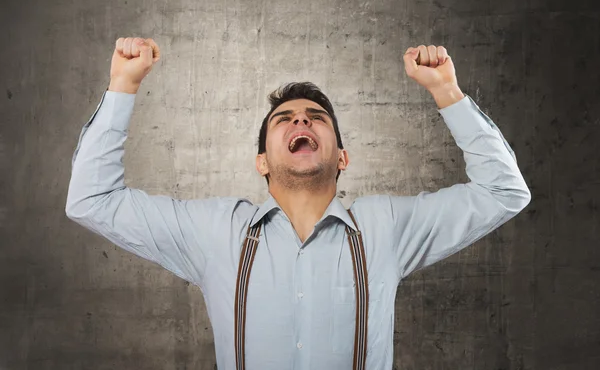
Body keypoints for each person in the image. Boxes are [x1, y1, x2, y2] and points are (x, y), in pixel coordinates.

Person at [65, 37, 531, 370]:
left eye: (316, 117)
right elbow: (92, 200)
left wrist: (446, 92)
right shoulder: (215, 232)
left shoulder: (386, 226)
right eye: (284, 118)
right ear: (262, 161)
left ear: (342, 156)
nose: (301, 120)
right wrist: (123, 85)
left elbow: (503, 191)